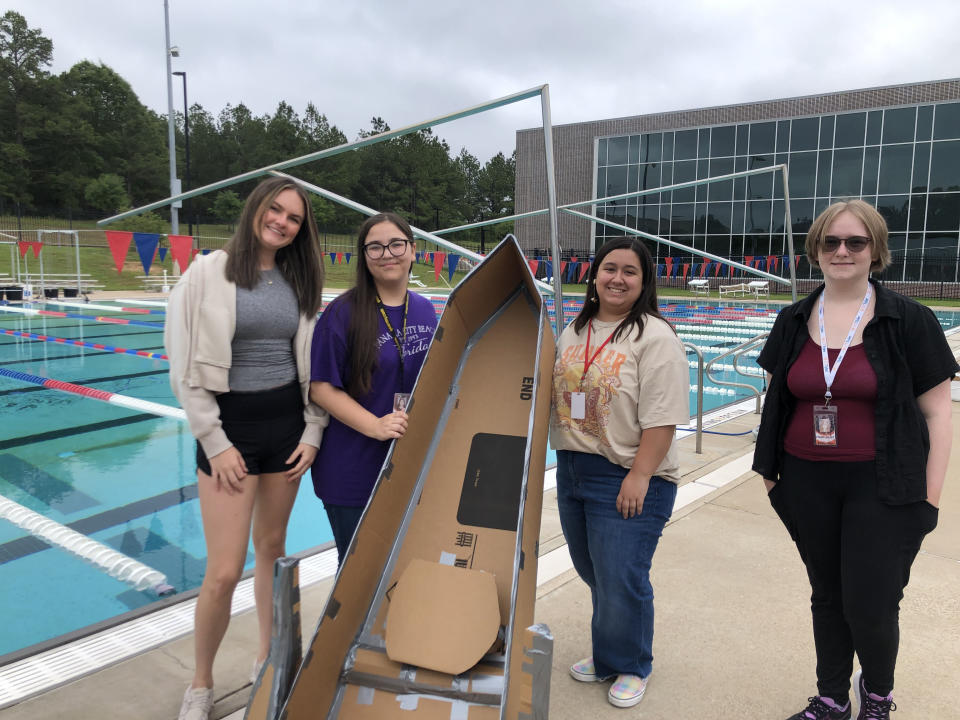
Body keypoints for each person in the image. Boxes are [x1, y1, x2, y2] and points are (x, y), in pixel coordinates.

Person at [753, 199, 956, 720]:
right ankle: (831, 699)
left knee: (871, 601)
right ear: (816, 250)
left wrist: (929, 499)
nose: (842, 251)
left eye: (855, 242)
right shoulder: (794, 318)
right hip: (804, 481)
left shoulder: (908, 319)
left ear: (875, 251)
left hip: (882, 483)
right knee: (827, 595)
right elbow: (777, 399)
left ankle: (878, 695)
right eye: (831, 242)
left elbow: (938, 414)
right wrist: (774, 482)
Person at [164, 176, 328, 720]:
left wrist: (311, 431)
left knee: (273, 552)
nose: (282, 222)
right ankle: (202, 682)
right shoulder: (206, 274)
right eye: (275, 210)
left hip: (285, 429)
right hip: (228, 429)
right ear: (256, 208)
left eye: (294, 218)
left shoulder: (300, 280)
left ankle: (268, 658)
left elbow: (312, 368)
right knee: (223, 570)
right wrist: (215, 442)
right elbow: (185, 369)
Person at [550, 236, 689, 709]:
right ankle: (610, 655)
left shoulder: (655, 337)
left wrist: (640, 475)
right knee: (594, 572)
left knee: (622, 575)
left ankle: (631, 663)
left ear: (644, 282)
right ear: (593, 276)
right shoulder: (575, 329)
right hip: (573, 468)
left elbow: (664, 417)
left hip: (627, 472)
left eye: (630, 271)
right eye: (609, 268)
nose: (617, 278)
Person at [309, 212, 437, 564]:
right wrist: (375, 426)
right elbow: (320, 387)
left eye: (396, 244)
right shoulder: (342, 314)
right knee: (358, 576)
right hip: (352, 467)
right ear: (364, 257)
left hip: (406, 464)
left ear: (413, 250)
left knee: (400, 567)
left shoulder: (426, 310)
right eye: (375, 247)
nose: (387, 254)